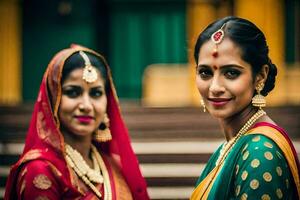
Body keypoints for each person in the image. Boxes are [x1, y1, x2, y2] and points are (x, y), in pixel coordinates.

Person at [5, 45, 149, 200]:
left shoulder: (111, 165)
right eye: (73, 92)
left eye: (96, 93)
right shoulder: (41, 170)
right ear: (54, 99)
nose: (86, 106)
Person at [190, 16, 300, 199]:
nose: (215, 87)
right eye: (205, 73)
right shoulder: (230, 145)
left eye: (231, 73)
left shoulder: (261, 151)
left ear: (260, 76)